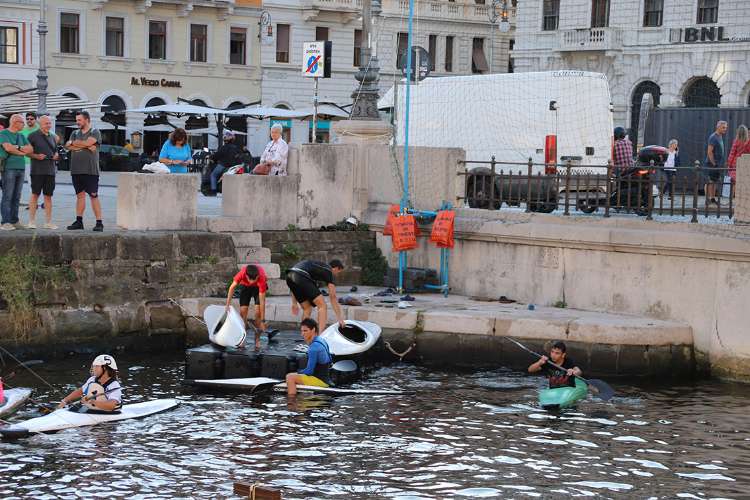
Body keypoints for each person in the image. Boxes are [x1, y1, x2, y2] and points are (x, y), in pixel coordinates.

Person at [65, 110, 103, 232]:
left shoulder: (95, 132)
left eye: (79, 120)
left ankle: (99, 223)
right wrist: (85, 146)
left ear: (87, 120)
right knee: (80, 196)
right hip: (76, 169)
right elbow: (67, 146)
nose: (77, 122)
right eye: (76, 120)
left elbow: (88, 142)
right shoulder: (74, 133)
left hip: (90, 170)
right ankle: (79, 221)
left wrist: (76, 144)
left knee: (93, 195)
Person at [286, 259, 346, 330]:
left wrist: (294, 303)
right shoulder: (328, 270)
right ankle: (320, 334)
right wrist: (340, 319)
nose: (337, 275)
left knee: (307, 308)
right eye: (338, 272)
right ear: (336, 268)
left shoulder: (316, 266)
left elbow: (295, 281)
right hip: (300, 276)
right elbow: (333, 297)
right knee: (322, 305)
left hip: (289, 276)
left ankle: (304, 333)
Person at [225, 264, 271, 350]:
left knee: (258, 313)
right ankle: (242, 338)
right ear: (246, 276)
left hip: (258, 288)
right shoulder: (241, 274)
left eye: (255, 279)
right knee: (243, 313)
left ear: (258, 276)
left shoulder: (261, 278)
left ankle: (257, 339)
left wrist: (263, 320)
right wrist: (227, 305)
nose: (253, 281)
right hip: (245, 286)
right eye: (251, 280)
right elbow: (231, 288)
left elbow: (262, 301)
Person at [57, 354, 122, 413]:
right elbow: (80, 391)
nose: (93, 368)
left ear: (104, 368)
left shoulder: (114, 385)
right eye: (93, 366)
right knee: (73, 408)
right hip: (93, 409)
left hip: (109, 413)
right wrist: (64, 401)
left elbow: (112, 405)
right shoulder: (92, 379)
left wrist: (92, 401)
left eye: (96, 366)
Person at [0, 114, 33, 230]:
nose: (24, 124)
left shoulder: (21, 135)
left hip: (21, 167)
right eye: (22, 122)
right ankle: (5, 222)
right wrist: (22, 151)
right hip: (9, 167)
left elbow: (30, 149)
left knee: (17, 196)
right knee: (8, 195)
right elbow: (8, 148)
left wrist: (17, 148)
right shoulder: (3, 133)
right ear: (15, 122)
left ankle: (14, 220)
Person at [27, 115, 59, 229]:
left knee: (48, 196)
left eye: (49, 123)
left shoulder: (53, 137)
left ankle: (48, 222)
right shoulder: (32, 136)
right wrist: (36, 156)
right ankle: (31, 222)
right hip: (37, 170)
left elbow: (55, 151)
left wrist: (56, 155)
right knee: (35, 195)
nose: (49, 125)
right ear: (40, 124)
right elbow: (26, 152)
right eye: (46, 123)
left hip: (50, 171)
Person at [285, 318, 332, 396]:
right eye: (302, 331)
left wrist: (297, 371)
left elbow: (309, 372)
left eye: (305, 331)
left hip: (320, 381)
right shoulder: (321, 340)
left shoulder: (313, 348)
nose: (302, 334)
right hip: (326, 379)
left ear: (313, 330)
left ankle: (291, 401)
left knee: (290, 377)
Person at [704, 120, 728, 206]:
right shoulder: (713, 137)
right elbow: (709, 152)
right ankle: (707, 199)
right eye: (723, 127)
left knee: (714, 182)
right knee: (710, 181)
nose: (725, 129)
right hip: (712, 164)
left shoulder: (720, 136)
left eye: (726, 128)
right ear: (718, 127)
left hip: (717, 164)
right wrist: (713, 163)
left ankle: (712, 199)